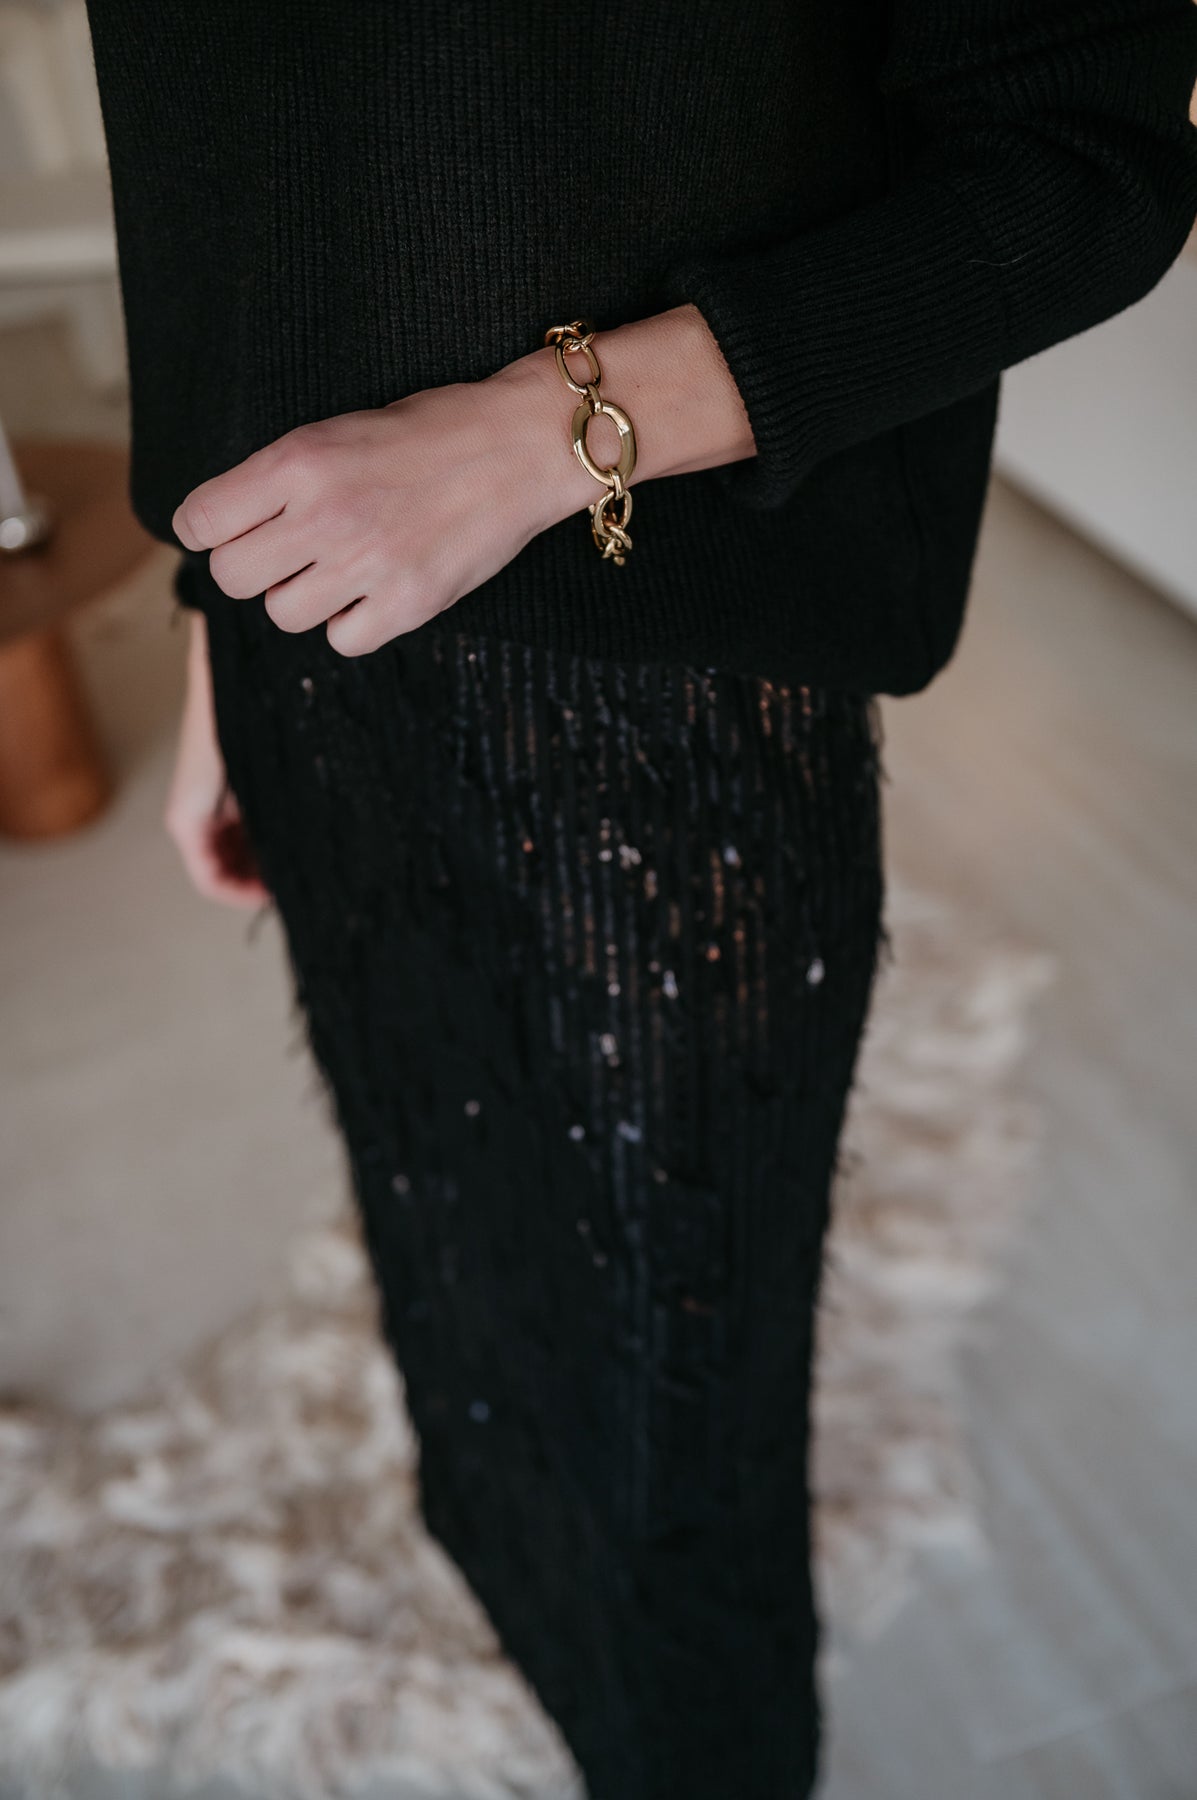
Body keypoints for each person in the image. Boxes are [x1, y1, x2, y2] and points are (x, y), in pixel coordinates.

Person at [83, 1, 1197, 1793]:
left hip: (655, 660)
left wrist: (548, 430)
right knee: (434, 1194)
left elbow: (1083, 168)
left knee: (675, 1331)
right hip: (314, 606)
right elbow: (215, 166)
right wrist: (224, 611)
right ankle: (514, 1580)